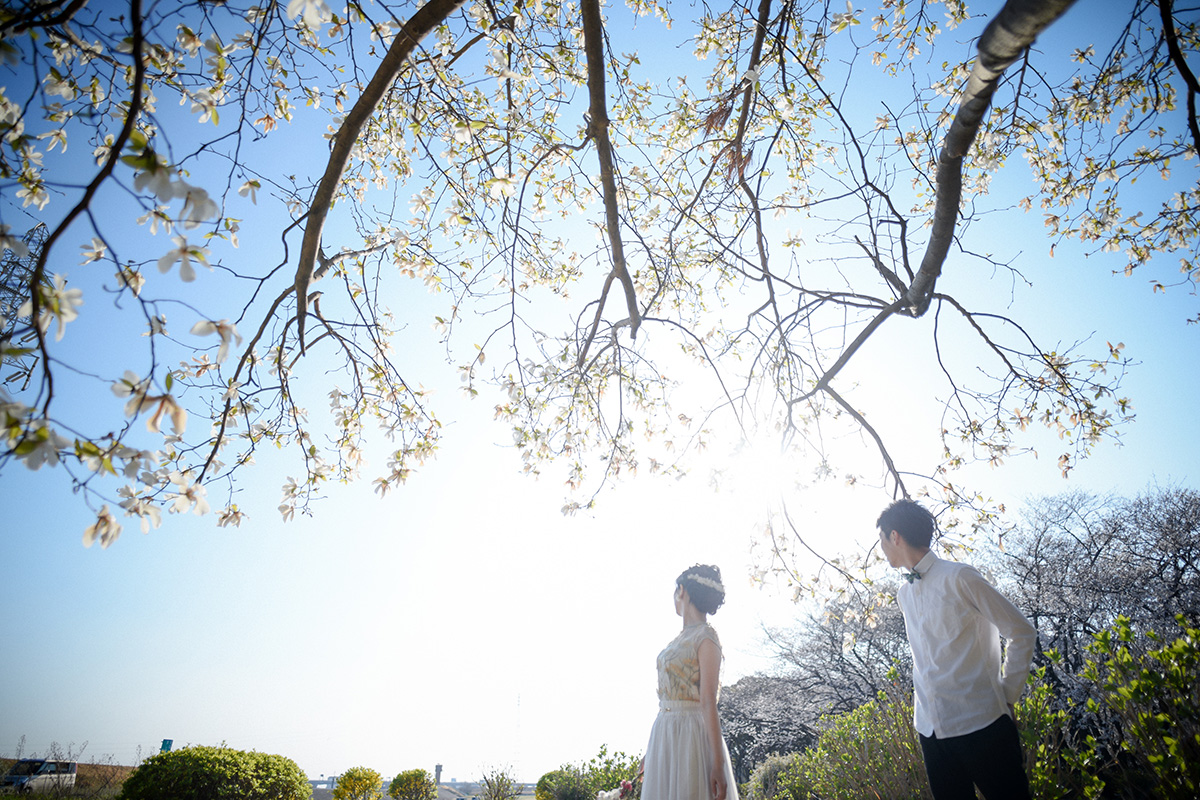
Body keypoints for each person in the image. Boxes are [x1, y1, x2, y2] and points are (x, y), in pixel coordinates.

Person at [877, 499, 1038, 800]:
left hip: (984, 724)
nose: (882, 548)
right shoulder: (903, 594)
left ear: (894, 536)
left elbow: (1021, 631)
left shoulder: (960, 577)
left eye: (882, 540)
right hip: (931, 732)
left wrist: (1007, 696)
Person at [641, 565, 739, 800]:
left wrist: (718, 763)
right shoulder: (679, 638)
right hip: (664, 733)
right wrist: (650, 752)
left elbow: (708, 701)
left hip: (691, 734)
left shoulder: (706, 637)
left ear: (682, 590)